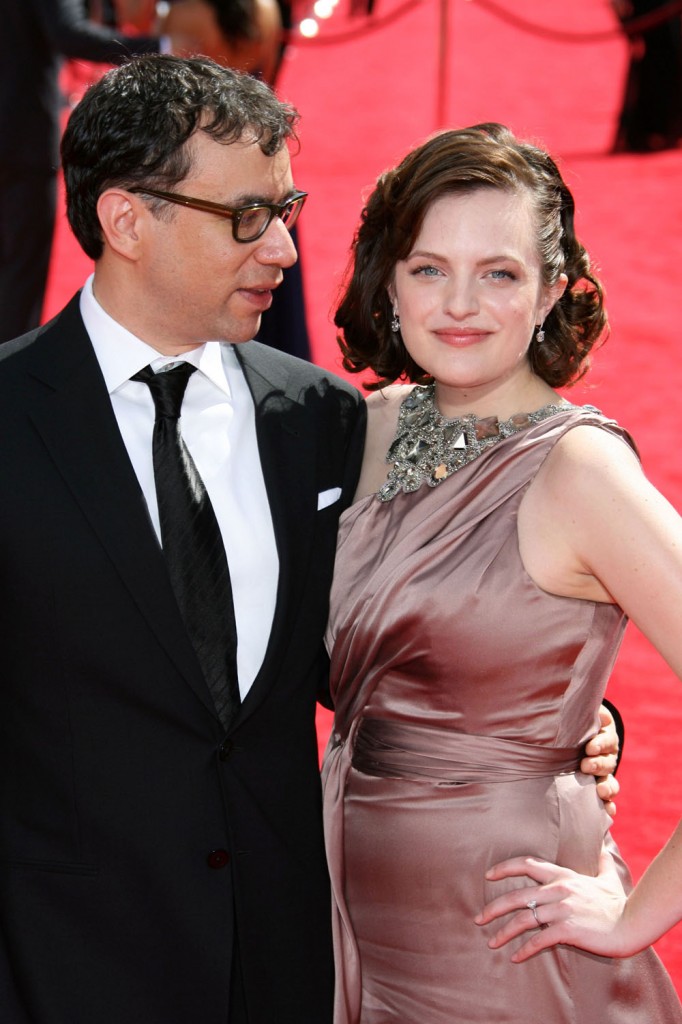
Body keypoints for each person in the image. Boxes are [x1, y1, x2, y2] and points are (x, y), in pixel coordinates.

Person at [0, 54, 365, 1023]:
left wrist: (563, 726)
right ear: (126, 221)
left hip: (280, 967)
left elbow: (368, 650)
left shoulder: (318, 416)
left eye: (288, 208)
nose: (284, 249)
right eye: (248, 216)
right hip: (61, 973)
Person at [321, 122, 682, 1022]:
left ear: (551, 290)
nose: (460, 305)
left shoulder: (582, 473)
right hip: (348, 911)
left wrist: (638, 917)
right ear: (389, 278)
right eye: (429, 268)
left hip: (504, 940)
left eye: (501, 273)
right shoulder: (362, 430)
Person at [0, 0, 166, 345]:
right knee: (19, 272)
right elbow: (70, 35)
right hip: (21, 134)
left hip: (19, 132)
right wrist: (165, 46)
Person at [160, 0, 312, 358]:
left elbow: (132, 20)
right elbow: (266, 99)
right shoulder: (265, 10)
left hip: (206, 188)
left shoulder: (187, 13)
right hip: (262, 179)